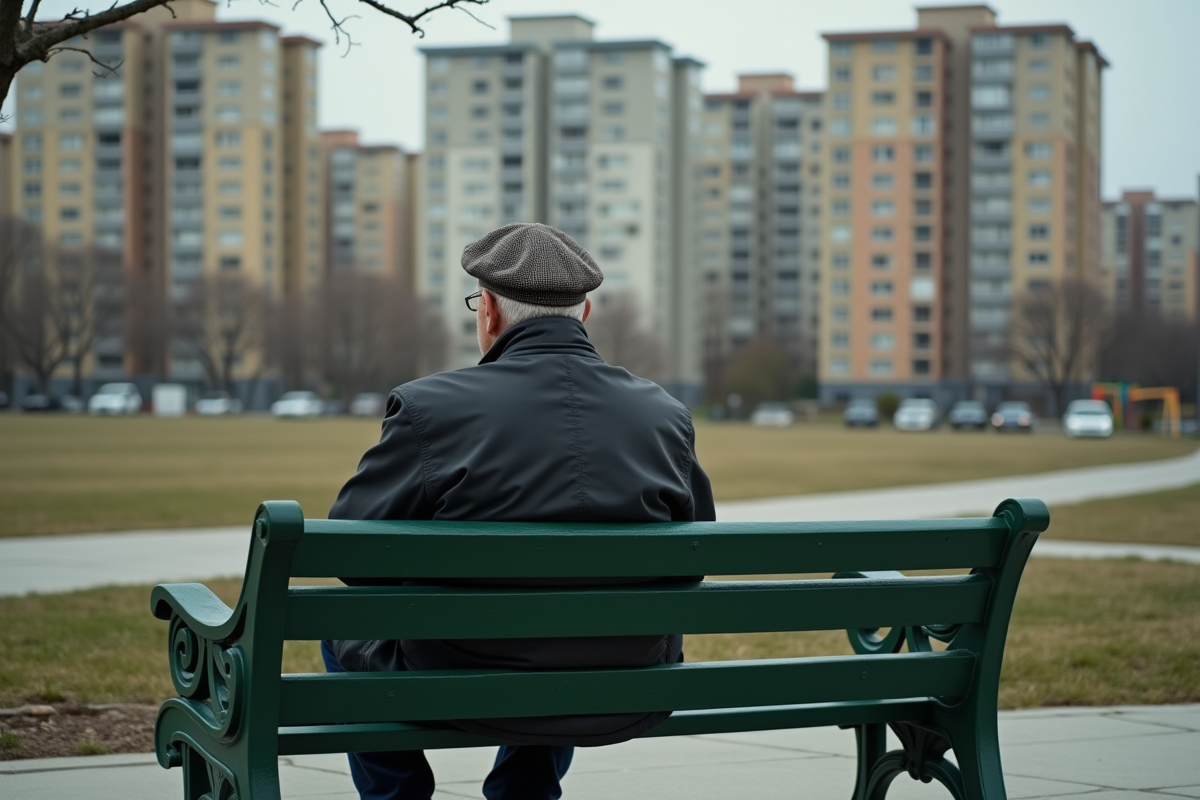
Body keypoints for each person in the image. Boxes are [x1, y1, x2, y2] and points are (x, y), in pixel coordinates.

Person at [322, 222, 715, 800]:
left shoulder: (430, 407)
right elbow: (690, 558)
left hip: (454, 679)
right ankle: (524, 791)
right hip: (621, 681)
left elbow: (354, 555)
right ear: (584, 314)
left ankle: (395, 794)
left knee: (339, 621)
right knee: (565, 623)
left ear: (487, 312)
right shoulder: (663, 413)